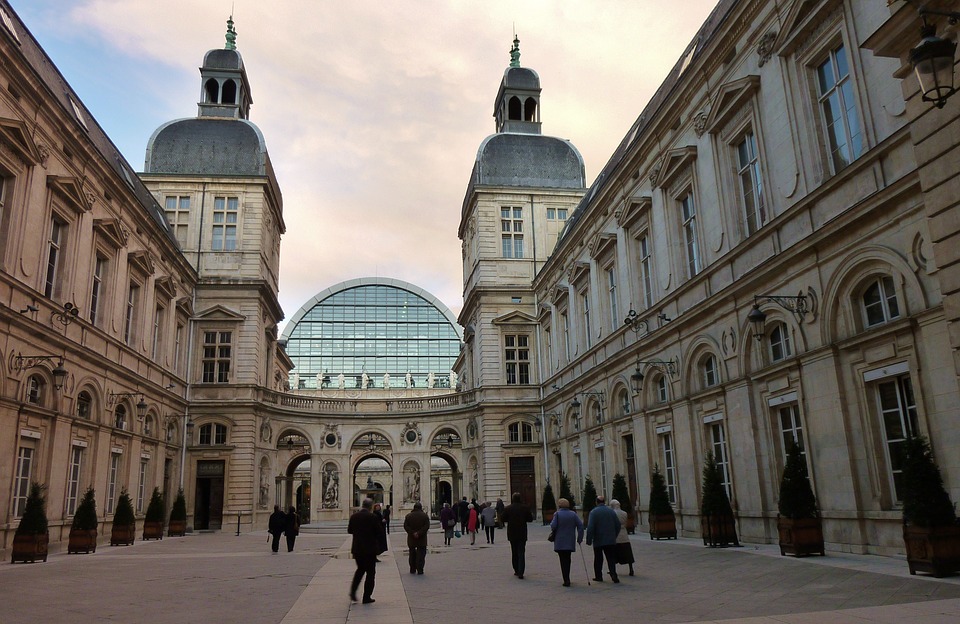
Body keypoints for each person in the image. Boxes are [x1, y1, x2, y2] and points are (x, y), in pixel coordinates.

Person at [348, 498, 381, 604]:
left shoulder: (354, 516)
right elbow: (379, 532)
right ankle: (367, 597)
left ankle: (353, 592)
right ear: (371, 506)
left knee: (360, 570)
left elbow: (350, 530)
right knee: (370, 573)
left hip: (357, 549)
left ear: (362, 505)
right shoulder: (373, 517)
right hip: (370, 550)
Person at [585, 495, 621, 583]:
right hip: (610, 539)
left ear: (596, 502)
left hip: (598, 539)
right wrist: (614, 535)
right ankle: (613, 574)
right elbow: (618, 525)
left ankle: (599, 576)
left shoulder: (594, 512)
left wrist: (589, 539)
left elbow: (590, 527)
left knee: (598, 558)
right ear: (604, 502)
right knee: (611, 558)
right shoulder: (611, 511)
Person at [550, 498, 584, 586]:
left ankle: (566, 579)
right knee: (568, 559)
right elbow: (580, 526)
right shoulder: (573, 514)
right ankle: (567, 577)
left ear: (559, 505)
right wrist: (579, 538)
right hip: (569, 540)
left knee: (562, 559)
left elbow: (553, 526)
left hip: (560, 541)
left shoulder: (557, 514)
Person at [500, 492, 533, 578]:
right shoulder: (525, 508)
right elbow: (530, 519)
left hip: (512, 533)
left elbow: (502, 518)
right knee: (521, 552)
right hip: (522, 533)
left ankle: (516, 570)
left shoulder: (508, 508)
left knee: (514, 552)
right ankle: (521, 572)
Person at [403, 501, 430, 574]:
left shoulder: (409, 516)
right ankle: (420, 569)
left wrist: (412, 533)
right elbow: (426, 526)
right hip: (422, 538)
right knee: (421, 554)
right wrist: (419, 533)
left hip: (412, 538)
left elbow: (406, 526)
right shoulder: (424, 516)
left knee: (412, 553)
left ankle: (412, 568)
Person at [610, 499, 635, 576]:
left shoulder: (612, 513)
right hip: (624, 534)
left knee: (613, 554)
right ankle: (631, 569)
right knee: (627, 552)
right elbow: (626, 523)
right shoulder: (624, 513)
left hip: (616, 534)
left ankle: (612, 569)